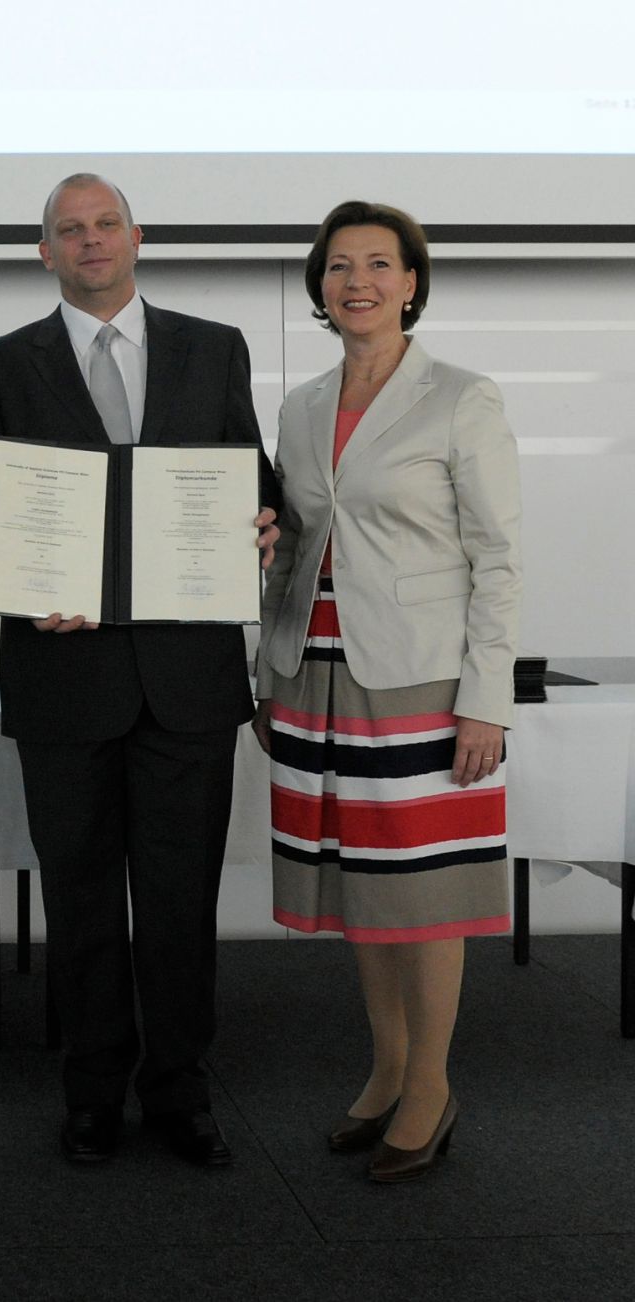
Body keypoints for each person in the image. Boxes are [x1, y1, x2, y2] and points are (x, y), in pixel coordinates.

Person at [0, 174, 279, 1168]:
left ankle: (179, 1089)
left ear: (136, 235)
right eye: (69, 230)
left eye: (105, 223)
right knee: (77, 902)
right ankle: (91, 1091)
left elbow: (248, 472)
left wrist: (263, 516)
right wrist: (19, 578)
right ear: (45, 253)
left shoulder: (214, 347)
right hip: (60, 672)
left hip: (187, 675)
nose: (90, 240)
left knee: (178, 902)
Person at [253, 201, 519, 1183]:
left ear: (411, 282)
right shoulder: (301, 405)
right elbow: (291, 549)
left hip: (421, 679)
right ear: (318, 286)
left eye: (376, 264)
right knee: (359, 883)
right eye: (337, 266)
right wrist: (266, 674)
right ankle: (388, 1068)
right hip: (315, 673)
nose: (355, 282)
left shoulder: (462, 398)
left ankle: (431, 1087)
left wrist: (485, 699)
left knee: (423, 891)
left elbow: (499, 558)